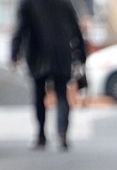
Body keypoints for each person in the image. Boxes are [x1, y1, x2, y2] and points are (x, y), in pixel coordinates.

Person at [10, 0, 86, 151]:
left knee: (39, 96)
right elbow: (75, 28)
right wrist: (81, 54)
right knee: (62, 94)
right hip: (61, 54)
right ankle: (62, 133)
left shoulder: (28, 3)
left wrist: (15, 52)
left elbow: (21, 27)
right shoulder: (64, 2)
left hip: (37, 55)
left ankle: (41, 136)